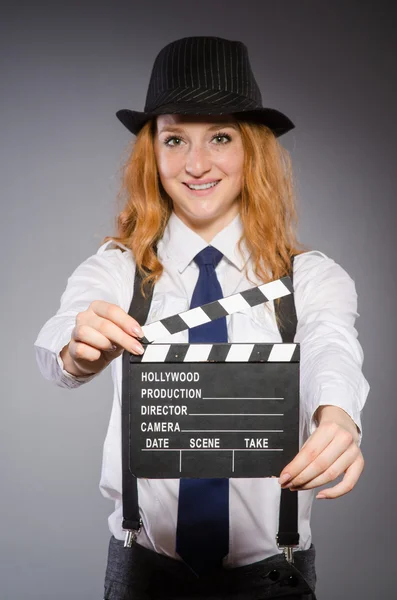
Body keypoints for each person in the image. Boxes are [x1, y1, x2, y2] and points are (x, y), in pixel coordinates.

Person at [34, 36, 369, 599]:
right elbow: (62, 333)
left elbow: (333, 344)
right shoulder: (120, 268)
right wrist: (77, 343)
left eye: (220, 137)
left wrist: (337, 417)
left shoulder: (309, 277)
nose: (195, 164)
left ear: (252, 151)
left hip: (271, 577)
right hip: (143, 571)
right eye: (174, 140)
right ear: (153, 154)